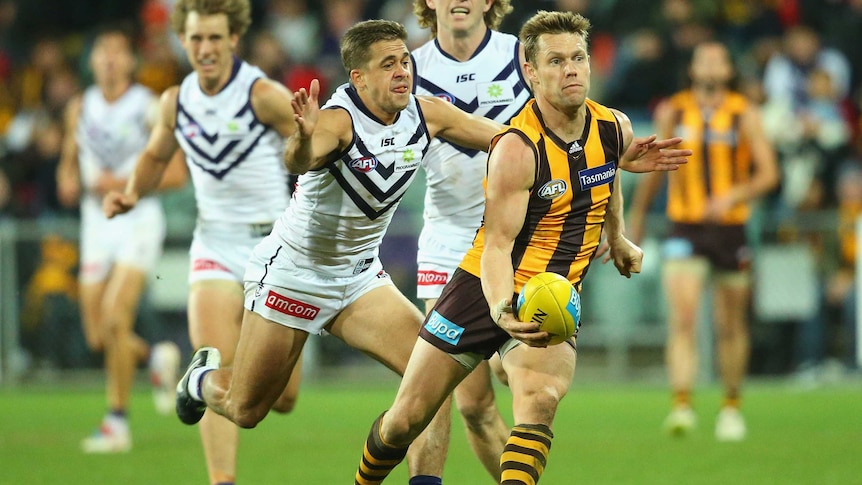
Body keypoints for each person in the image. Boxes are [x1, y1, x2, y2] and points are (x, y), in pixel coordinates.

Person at [353, 11, 692, 484]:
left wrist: (616, 237)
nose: (571, 69)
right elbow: (495, 245)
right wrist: (498, 306)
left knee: (540, 399)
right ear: (530, 73)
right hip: (481, 290)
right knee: (405, 420)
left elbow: (606, 174)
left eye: (578, 58)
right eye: (556, 61)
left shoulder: (615, 127)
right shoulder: (515, 147)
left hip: (550, 292)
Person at [174, 19, 509, 485]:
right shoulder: (336, 121)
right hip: (294, 274)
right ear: (359, 78)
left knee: (433, 375)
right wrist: (304, 136)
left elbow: (506, 139)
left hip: (358, 278)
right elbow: (300, 158)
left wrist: (586, 143)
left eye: (405, 61)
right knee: (246, 409)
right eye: (387, 64)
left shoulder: (426, 114)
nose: (402, 72)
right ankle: (200, 381)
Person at [102, 1, 302, 482]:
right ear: (183, 40)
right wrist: (131, 192)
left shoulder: (262, 95)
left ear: (234, 38)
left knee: (284, 399)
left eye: (215, 37)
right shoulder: (175, 101)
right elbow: (155, 155)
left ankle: (207, 382)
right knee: (214, 362)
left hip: (275, 252)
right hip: (213, 246)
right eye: (195, 38)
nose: (205, 48)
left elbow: (312, 145)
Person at [627, 41, 779, 442]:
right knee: (684, 317)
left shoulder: (744, 113)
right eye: (703, 57)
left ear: (728, 70)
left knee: (730, 323)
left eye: (719, 57)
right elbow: (655, 166)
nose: (711, 63)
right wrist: (638, 218)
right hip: (685, 227)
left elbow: (768, 173)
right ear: (693, 69)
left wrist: (734, 195)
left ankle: (731, 408)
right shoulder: (673, 110)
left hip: (731, 229)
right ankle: (682, 405)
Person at [410, 0, 530, 480]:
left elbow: (575, 127)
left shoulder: (523, 55)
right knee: (466, 402)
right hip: (446, 241)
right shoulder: (409, 66)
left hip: (517, 238)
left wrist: (606, 224)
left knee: (518, 375)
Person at [55, 25, 187, 454]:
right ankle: (154, 358)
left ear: (131, 61)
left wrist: (128, 185)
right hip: (96, 225)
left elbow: (175, 172)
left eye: (117, 51)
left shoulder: (148, 107)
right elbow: (69, 163)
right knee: (99, 336)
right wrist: (68, 180)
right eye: (102, 51)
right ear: (92, 61)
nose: (109, 59)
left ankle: (116, 423)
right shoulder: (79, 107)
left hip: (136, 219)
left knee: (115, 317)